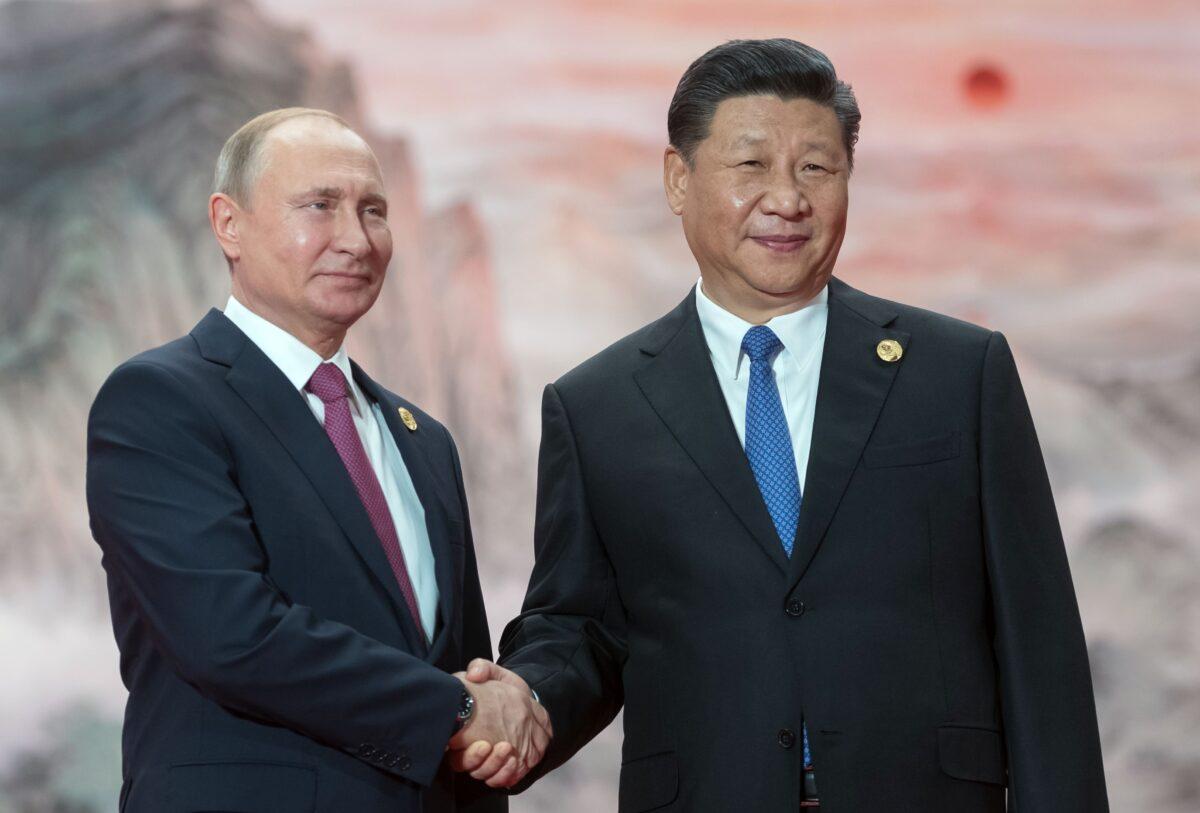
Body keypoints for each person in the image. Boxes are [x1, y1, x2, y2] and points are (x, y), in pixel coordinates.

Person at [461, 40, 1109, 811]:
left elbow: (1039, 644)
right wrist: (524, 698)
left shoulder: (958, 374)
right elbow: (583, 629)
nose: (788, 199)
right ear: (678, 179)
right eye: (751, 166)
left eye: (816, 168)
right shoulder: (598, 406)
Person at [86, 108, 548, 813]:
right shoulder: (159, 400)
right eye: (320, 207)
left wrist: (493, 714)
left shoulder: (423, 440)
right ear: (228, 223)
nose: (356, 240)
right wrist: (456, 709)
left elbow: (461, 662)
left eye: (374, 211)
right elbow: (230, 634)